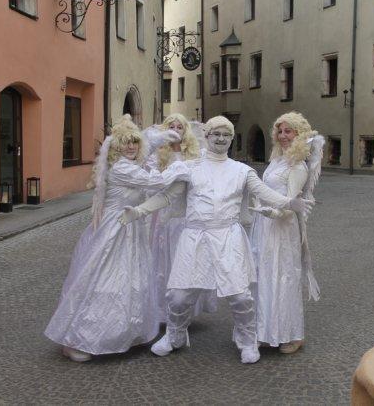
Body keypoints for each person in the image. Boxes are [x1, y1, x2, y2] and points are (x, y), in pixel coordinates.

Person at [119, 116, 314, 364]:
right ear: (207, 136)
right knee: (179, 296)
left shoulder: (242, 170)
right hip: (194, 236)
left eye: (226, 135)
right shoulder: (190, 167)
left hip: (228, 237)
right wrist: (139, 211)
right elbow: (168, 196)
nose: (221, 139)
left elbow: (264, 192)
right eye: (216, 134)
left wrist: (289, 203)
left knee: (241, 296)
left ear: (231, 139)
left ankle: (247, 339)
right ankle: (174, 335)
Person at [44, 115, 185, 362]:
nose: (130, 147)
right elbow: (156, 181)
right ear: (115, 146)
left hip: (130, 227)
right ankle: (78, 338)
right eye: (125, 142)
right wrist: (179, 166)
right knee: (104, 280)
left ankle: (125, 332)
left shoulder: (129, 163)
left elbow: (144, 156)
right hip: (116, 229)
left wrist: (158, 139)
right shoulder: (121, 168)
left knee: (130, 279)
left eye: (134, 142)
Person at [249, 112, 324, 354]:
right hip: (265, 226)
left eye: (288, 131)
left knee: (283, 277)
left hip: (282, 228)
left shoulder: (298, 166)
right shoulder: (277, 160)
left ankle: (292, 334)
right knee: (264, 276)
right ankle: (265, 331)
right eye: (279, 131)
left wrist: (274, 213)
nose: (282, 136)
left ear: (298, 134)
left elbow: (292, 204)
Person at [146, 114, 217, 322]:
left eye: (179, 127)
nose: (176, 130)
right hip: (166, 215)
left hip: (188, 215)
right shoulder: (158, 155)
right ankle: (164, 311)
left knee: (186, 261)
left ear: (185, 131)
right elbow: (153, 181)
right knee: (164, 262)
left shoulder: (194, 154)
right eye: (172, 127)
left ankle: (185, 310)